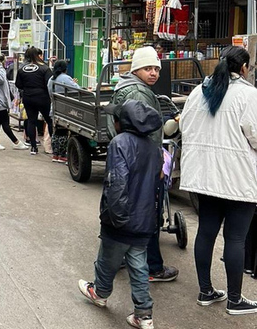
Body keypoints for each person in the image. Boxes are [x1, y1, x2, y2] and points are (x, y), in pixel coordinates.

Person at [179, 45, 257, 315]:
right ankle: (235, 300)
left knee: (206, 231)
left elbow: (183, 127)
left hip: (204, 177)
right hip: (237, 179)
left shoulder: (199, 92)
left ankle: (206, 291)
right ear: (244, 67)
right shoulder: (248, 95)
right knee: (235, 238)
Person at [79, 100, 163, 329]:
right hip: (144, 220)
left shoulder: (119, 144)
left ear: (122, 122)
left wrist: (114, 218)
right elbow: (157, 181)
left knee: (107, 260)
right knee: (138, 265)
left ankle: (100, 292)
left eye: (114, 119)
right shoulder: (154, 148)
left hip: (121, 218)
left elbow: (116, 184)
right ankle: (144, 314)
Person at [109, 46, 179, 283]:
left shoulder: (125, 86)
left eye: (156, 69)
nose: (154, 73)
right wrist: (157, 164)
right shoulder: (139, 93)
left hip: (129, 162)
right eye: (148, 68)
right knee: (147, 214)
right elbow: (147, 133)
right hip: (141, 163)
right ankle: (152, 267)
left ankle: (118, 257)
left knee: (125, 208)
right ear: (136, 69)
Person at [15, 47, 53, 156]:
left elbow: (18, 84)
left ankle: (33, 147)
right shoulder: (44, 68)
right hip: (42, 97)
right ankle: (53, 146)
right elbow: (49, 83)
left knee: (31, 121)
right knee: (49, 120)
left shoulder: (23, 69)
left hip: (28, 97)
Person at [0, 53, 27, 151]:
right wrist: (0, 67)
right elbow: (1, 79)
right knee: (5, 123)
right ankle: (16, 142)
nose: (5, 64)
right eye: (3, 62)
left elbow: (3, 84)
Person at [48, 60, 78, 164]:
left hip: (55, 108)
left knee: (57, 132)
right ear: (65, 69)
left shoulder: (51, 79)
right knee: (65, 132)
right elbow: (76, 90)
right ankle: (62, 155)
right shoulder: (66, 78)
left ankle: (55, 154)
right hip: (66, 110)